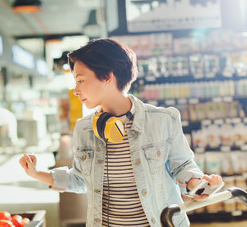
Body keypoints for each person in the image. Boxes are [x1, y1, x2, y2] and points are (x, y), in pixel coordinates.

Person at [19, 38, 223, 227]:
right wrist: (37, 174)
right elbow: (80, 180)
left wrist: (197, 184)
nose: (76, 89)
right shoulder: (84, 128)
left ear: (108, 76)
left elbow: (183, 166)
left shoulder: (163, 119)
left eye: (80, 80)